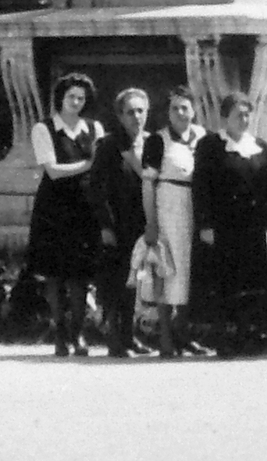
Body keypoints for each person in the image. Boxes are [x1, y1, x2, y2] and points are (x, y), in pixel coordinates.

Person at [193, 90, 267, 357]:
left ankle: (248, 334)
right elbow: (201, 186)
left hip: (253, 226)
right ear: (225, 117)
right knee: (225, 280)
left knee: (251, 280)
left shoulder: (261, 146)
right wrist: (205, 224)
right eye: (239, 114)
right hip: (223, 225)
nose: (244, 119)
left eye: (247, 114)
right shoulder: (210, 145)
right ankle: (223, 337)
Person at [27, 72, 104, 357]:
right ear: (60, 98)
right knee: (55, 274)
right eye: (70, 96)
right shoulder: (44, 129)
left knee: (81, 276)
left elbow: (102, 166)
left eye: (81, 98)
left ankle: (78, 332)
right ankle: (60, 333)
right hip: (55, 206)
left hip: (85, 207)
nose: (75, 102)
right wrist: (88, 164)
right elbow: (53, 171)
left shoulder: (94, 128)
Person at [140, 85, 212, 358]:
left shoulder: (205, 138)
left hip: (198, 208)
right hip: (170, 209)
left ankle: (185, 333)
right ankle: (166, 337)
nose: (181, 113)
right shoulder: (158, 141)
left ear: (194, 110)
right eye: (175, 108)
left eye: (185, 107)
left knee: (192, 272)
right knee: (168, 270)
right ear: (167, 113)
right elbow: (148, 185)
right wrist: (151, 222)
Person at [86, 87, 155, 358]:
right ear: (120, 115)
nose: (136, 117)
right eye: (130, 112)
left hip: (142, 222)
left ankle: (130, 336)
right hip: (117, 223)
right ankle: (115, 338)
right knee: (116, 282)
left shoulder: (152, 144)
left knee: (135, 281)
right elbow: (96, 188)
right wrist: (105, 225)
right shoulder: (109, 145)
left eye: (141, 111)